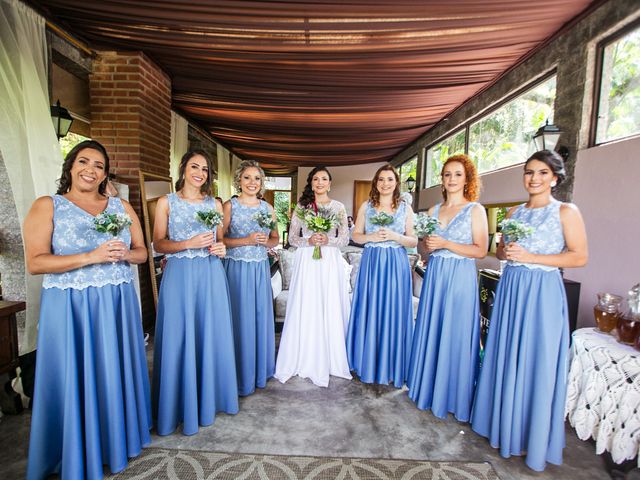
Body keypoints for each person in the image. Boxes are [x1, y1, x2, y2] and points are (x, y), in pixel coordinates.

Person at [24, 140, 151, 479]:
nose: (90, 170)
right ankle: (74, 450)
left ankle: (115, 440)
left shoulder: (121, 206)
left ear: (104, 173)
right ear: (70, 167)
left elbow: (142, 253)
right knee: (74, 374)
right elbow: (35, 263)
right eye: (84, 162)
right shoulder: (47, 206)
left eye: (98, 165)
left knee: (113, 369)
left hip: (116, 304)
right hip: (70, 308)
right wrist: (90, 257)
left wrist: (123, 254)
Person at [471, 150, 588, 471]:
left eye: (542, 173)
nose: (534, 179)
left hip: (542, 292)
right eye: (529, 172)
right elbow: (499, 251)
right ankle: (501, 425)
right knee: (507, 353)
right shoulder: (512, 213)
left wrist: (533, 257)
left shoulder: (566, 211)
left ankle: (531, 437)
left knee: (538, 358)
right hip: (512, 289)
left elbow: (578, 257)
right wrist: (505, 250)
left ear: (555, 177)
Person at [151, 150, 238, 436]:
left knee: (209, 332)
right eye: (194, 167)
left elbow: (220, 239)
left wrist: (221, 247)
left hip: (211, 273)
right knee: (178, 333)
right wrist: (187, 243)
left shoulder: (214, 203)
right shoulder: (166, 202)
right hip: (179, 276)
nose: (200, 173)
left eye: (204, 169)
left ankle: (207, 397)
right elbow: (158, 245)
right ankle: (177, 402)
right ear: (183, 168)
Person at [407, 155, 488, 421]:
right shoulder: (433, 211)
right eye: (447, 174)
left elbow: (481, 250)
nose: (451, 179)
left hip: (460, 277)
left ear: (467, 179)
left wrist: (446, 244)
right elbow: (423, 248)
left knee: (457, 330)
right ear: (442, 179)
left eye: (457, 174)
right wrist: (426, 245)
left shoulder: (475, 210)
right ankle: (429, 387)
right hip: (437, 274)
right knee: (433, 327)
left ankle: (453, 395)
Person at [274, 166, 351, 387]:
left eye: (324, 179)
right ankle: (302, 355)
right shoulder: (302, 206)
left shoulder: (338, 207)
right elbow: (293, 238)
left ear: (330, 183)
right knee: (307, 303)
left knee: (328, 303)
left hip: (329, 261)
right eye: (315, 179)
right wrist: (308, 241)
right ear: (311, 182)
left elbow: (344, 238)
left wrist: (328, 241)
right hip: (307, 259)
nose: (319, 182)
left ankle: (330, 357)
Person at [347, 164, 418, 388]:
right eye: (381, 179)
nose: (385, 183)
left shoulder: (405, 208)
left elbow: (414, 241)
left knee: (393, 309)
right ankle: (366, 361)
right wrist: (371, 237)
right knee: (371, 308)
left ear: (396, 183)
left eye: (389, 179)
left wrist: (395, 236)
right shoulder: (366, 206)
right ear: (376, 183)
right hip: (372, 263)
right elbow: (356, 236)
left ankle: (393, 365)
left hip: (396, 264)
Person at [222, 160, 279, 396]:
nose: (252, 182)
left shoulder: (268, 209)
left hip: (258, 270)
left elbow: (275, 238)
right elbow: (220, 239)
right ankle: (235, 373)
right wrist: (245, 240)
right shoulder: (229, 206)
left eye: (257, 178)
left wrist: (266, 242)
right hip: (235, 269)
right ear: (239, 181)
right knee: (238, 318)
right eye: (247, 177)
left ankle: (258, 370)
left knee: (258, 318)